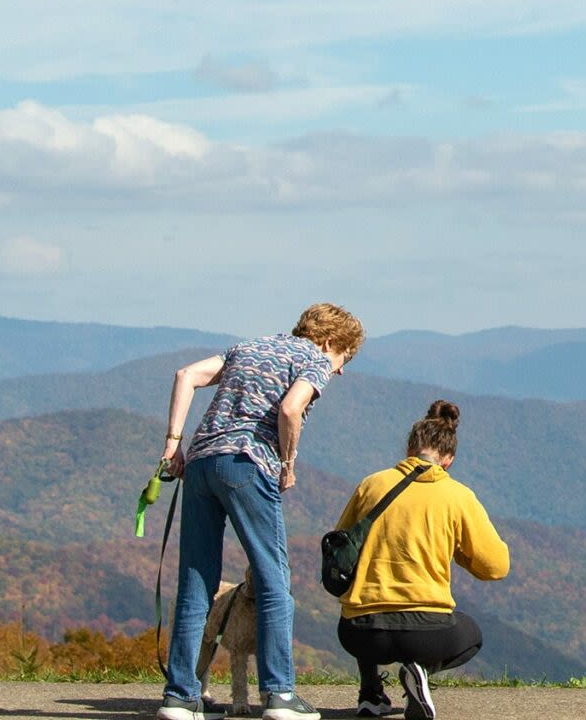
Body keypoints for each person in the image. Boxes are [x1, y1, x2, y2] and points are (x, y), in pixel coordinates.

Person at [158, 303, 367, 720]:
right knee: (274, 580)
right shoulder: (312, 358)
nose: (340, 370)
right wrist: (288, 464)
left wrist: (172, 444)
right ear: (329, 342)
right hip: (247, 464)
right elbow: (291, 409)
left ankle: (181, 697)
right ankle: (279, 694)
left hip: (199, 464)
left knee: (196, 581)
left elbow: (186, 376)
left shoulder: (251, 346)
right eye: (343, 358)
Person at [331, 399, 512, 720]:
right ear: (449, 460)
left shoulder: (371, 485)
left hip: (360, 635)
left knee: (366, 595)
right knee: (472, 636)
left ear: (409, 449)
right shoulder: (458, 497)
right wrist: (458, 553)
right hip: (428, 634)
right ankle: (420, 669)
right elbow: (496, 567)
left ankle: (370, 694)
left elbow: (341, 548)